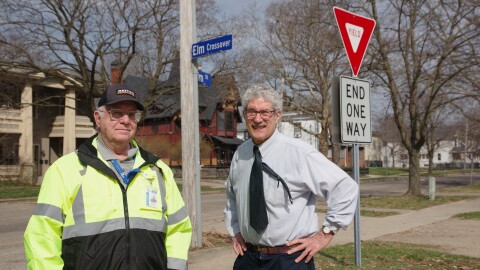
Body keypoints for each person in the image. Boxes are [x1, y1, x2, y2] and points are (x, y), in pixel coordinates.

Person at [24, 83, 192, 270]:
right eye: (117, 113)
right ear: (98, 118)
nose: (126, 120)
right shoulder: (65, 170)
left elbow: (179, 229)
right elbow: (42, 237)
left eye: (132, 114)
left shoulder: (158, 170)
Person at [224, 84, 359, 270]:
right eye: (251, 112)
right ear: (244, 114)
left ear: (277, 115)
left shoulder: (299, 153)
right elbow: (232, 197)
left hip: (288, 259)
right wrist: (236, 231)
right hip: (248, 258)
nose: (257, 119)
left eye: (265, 112)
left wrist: (325, 234)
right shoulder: (240, 154)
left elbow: (345, 188)